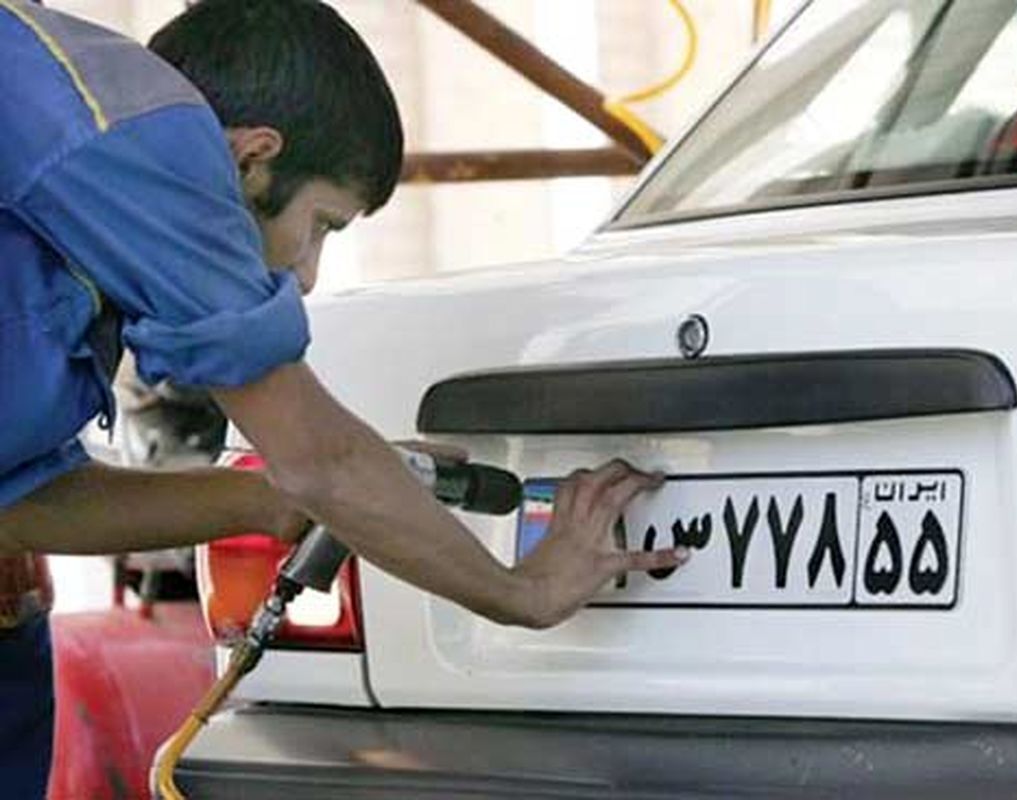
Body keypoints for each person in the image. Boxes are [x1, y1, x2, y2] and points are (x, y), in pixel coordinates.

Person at [0, 0, 688, 794]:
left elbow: (19, 504)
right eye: (322, 224)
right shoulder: (153, 145)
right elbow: (321, 460)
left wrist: (275, 498)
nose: (306, 275)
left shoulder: (68, 206)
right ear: (251, 159)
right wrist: (523, 593)